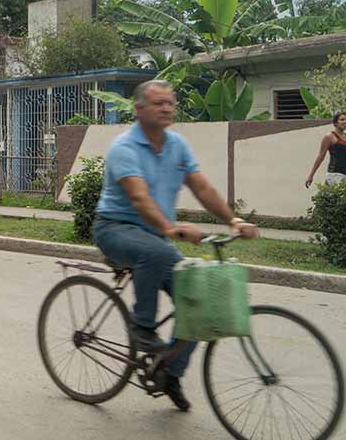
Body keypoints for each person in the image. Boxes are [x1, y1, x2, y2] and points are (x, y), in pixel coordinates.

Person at [93, 80, 258, 412]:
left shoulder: (177, 145)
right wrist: (170, 228)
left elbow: (203, 188)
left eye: (170, 102)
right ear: (139, 110)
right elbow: (139, 198)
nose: (167, 108)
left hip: (154, 236)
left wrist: (233, 221)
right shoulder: (124, 148)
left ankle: (170, 373)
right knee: (155, 251)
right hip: (115, 229)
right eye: (158, 103)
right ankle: (141, 328)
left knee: (201, 303)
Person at [305, 110, 346, 188]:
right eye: (342, 119)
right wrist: (311, 175)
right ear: (335, 123)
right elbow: (320, 157)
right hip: (335, 175)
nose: (345, 121)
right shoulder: (329, 137)